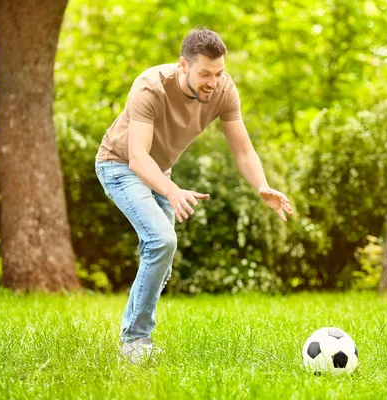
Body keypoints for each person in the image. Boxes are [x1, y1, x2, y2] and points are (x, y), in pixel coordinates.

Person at [95, 28, 293, 363]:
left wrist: (261, 184)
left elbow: (243, 150)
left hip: (161, 173)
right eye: (204, 73)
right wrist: (171, 191)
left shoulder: (224, 90)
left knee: (161, 257)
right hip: (120, 165)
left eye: (218, 73)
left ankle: (135, 328)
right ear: (182, 66)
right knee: (162, 242)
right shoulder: (150, 86)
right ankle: (134, 341)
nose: (212, 82)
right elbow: (138, 157)